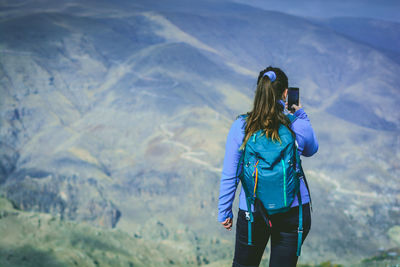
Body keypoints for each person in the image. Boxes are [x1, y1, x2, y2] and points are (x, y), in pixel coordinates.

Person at [218, 66, 319, 267]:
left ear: (259, 91)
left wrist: (224, 210)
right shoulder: (297, 124)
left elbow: (231, 173)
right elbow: (311, 149)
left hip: (253, 212)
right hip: (294, 211)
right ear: (285, 94)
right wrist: (301, 114)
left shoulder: (242, 126)